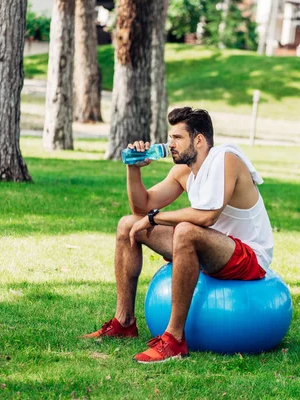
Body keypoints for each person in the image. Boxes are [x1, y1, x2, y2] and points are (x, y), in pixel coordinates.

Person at [84, 107, 274, 364]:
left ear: (198, 140)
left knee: (185, 230)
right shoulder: (184, 171)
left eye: (177, 138)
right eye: (170, 137)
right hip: (210, 248)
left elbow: (207, 217)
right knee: (127, 224)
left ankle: (173, 339)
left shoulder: (226, 159)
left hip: (247, 256)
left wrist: (154, 218)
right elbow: (141, 207)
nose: (169, 144)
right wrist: (134, 168)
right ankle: (124, 322)